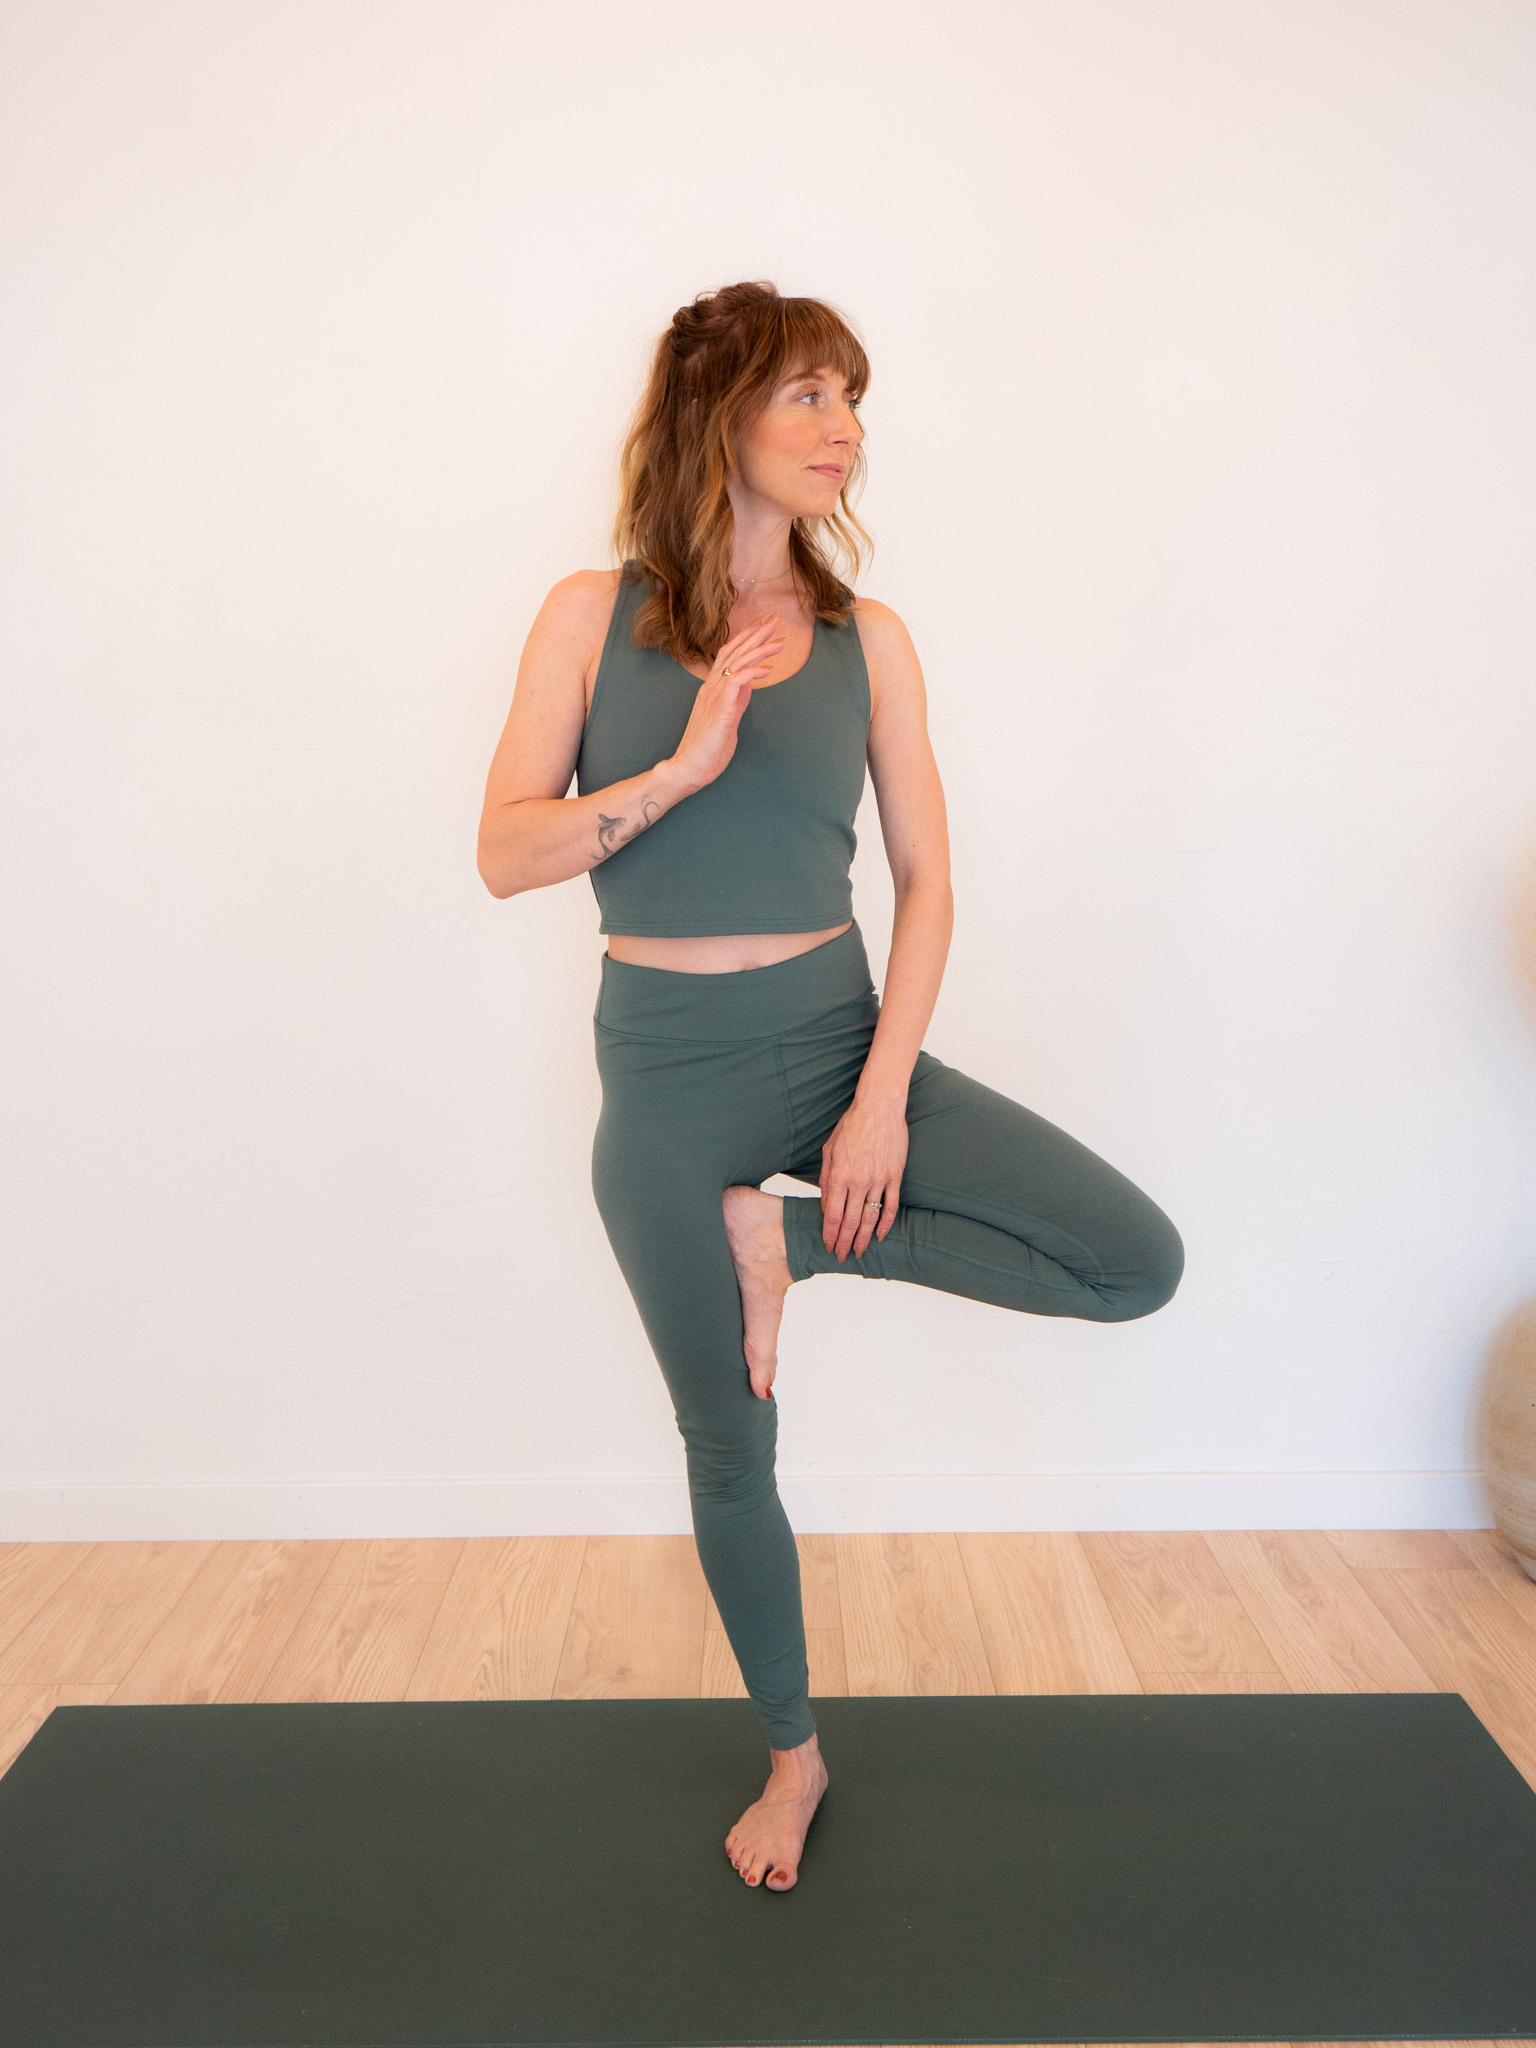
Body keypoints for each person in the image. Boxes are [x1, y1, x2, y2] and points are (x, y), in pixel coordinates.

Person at [476, 280, 1184, 1894]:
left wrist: (873, 1110)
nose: (846, 428)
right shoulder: (591, 615)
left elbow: (929, 883)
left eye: (851, 399)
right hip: (661, 1087)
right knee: (730, 1448)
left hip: (838, 1046)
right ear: (717, 414)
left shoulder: (873, 644)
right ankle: (794, 1759)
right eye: (809, 395)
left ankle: (773, 1245)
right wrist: (676, 771)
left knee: (1133, 1261)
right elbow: (503, 852)